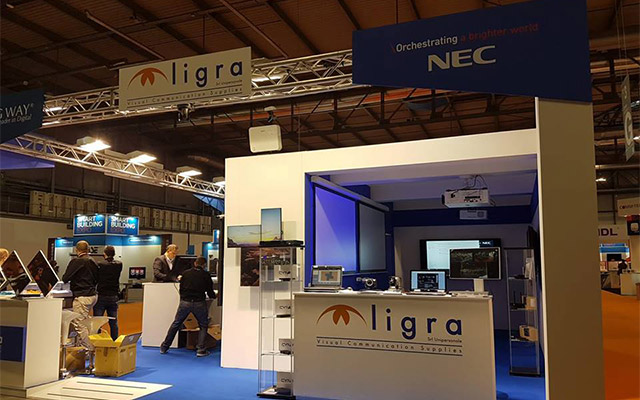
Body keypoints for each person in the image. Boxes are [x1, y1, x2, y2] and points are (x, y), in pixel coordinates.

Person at [160, 256, 216, 357]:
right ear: (204, 265)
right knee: (203, 325)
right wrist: (214, 296)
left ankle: (165, 346)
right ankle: (201, 350)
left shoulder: (186, 273)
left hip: (185, 302)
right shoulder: (206, 275)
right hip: (199, 302)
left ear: (195, 263)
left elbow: (181, 289)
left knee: (176, 324)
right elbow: (210, 291)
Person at [62, 241, 99, 349]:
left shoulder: (76, 262)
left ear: (76, 250)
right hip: (92, 295)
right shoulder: (93, 261)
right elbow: (97, 278)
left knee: (79, 324)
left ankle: (89, 349)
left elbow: (65, 278)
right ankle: (84, 346)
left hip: (82, 296)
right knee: (86, 322)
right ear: (88, 249)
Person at [93, 246, 123, 341]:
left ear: (104, 254)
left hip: (101, 295)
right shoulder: (119, 264)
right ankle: (115, 341)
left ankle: (97, 341)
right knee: (113, 322)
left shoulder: (100, 264)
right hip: (113, 295)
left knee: (97, 322)